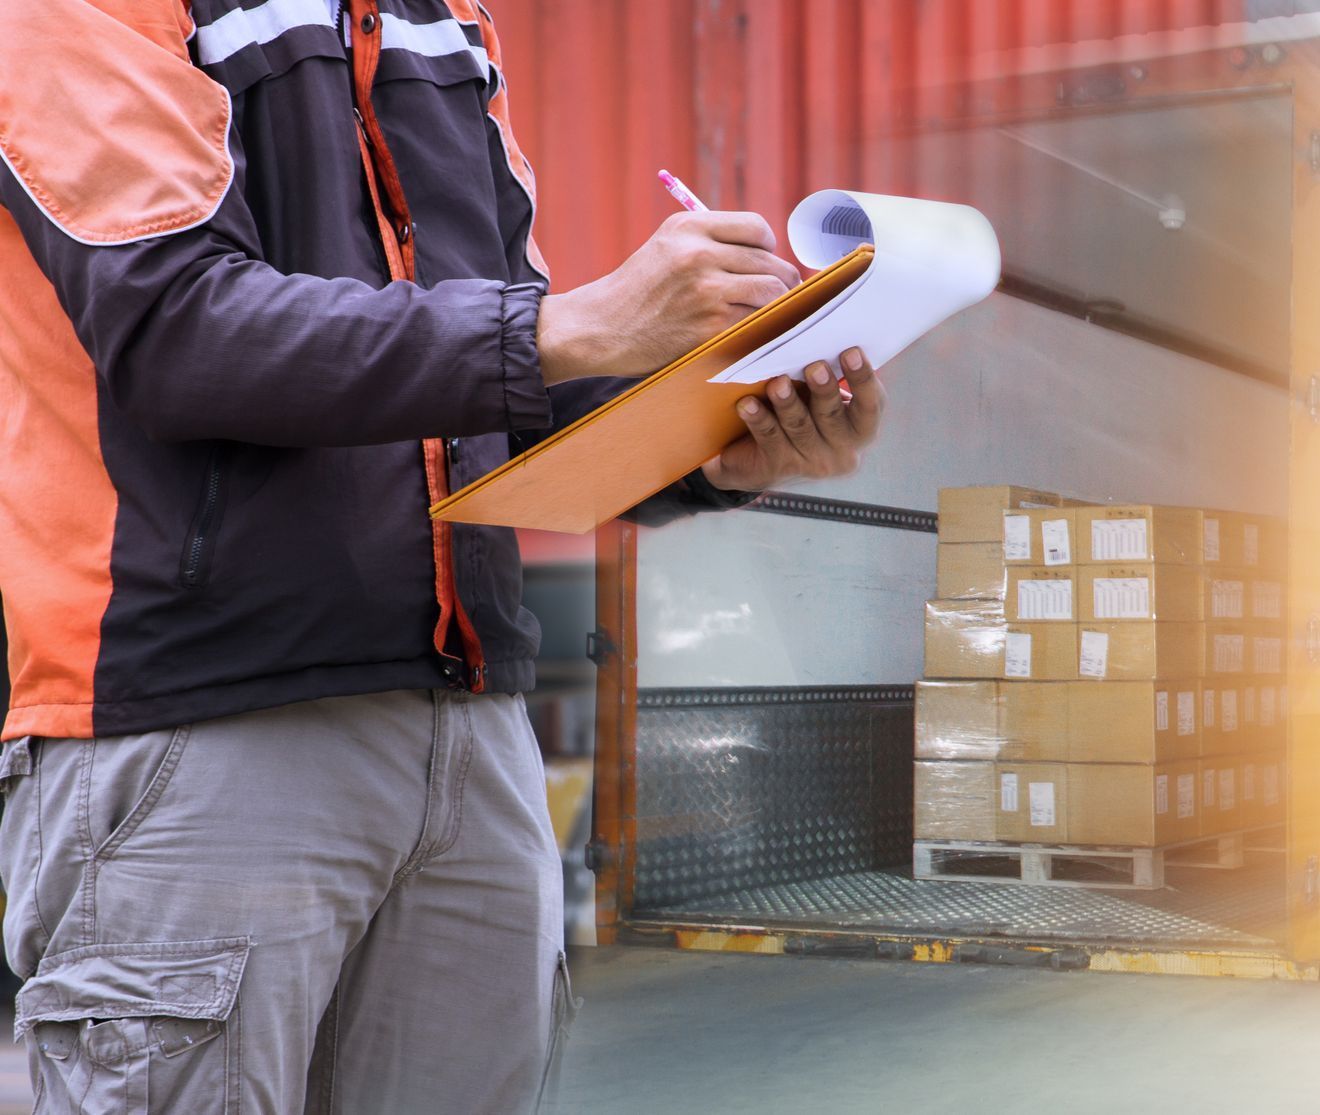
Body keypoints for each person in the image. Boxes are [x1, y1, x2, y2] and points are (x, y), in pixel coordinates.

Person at [0, 1, 885, 1110]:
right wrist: (578, 322)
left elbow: (500, 397)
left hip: (468, 729)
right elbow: (182, 333)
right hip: (205, 721)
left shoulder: (448, 25)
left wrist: (725, 450)